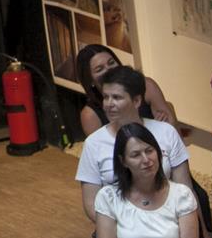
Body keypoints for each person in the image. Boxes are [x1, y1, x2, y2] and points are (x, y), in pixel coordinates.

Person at [76, 66, 194, 226]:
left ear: (137, 101)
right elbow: (91, 204)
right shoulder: (93, 143)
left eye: (117, 97)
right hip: (119, 228)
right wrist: (125, 230)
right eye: (105, 97)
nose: (109, 104)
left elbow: (185, 190)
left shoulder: (166, 132)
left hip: (168, 223)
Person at [74, 44, 176, 134]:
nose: (109, 69)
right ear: (90, 80)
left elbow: (170, 130)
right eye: (99, 69)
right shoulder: (90, 115)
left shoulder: (147, 86)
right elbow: (101, 147)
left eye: (111, 63)